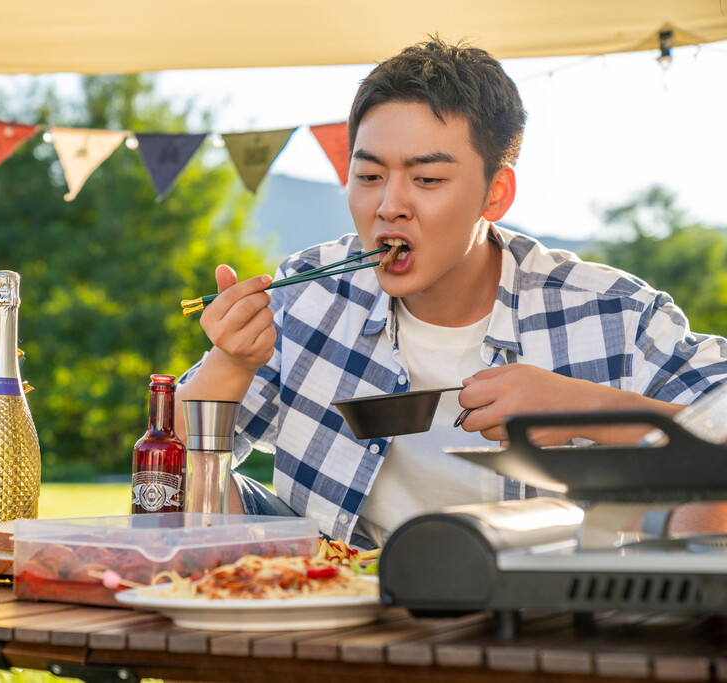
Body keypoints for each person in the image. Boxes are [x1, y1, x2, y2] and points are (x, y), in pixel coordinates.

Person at [175, 37, 727, 549]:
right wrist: (231, 360)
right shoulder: (311, 294)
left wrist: (584, 406)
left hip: (546, 625)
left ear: (496, 193)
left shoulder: (610, 312)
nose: (389, 205)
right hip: (339, 612)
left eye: (427, 180)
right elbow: (169, 471)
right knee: (185, 489)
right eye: (368, 177)